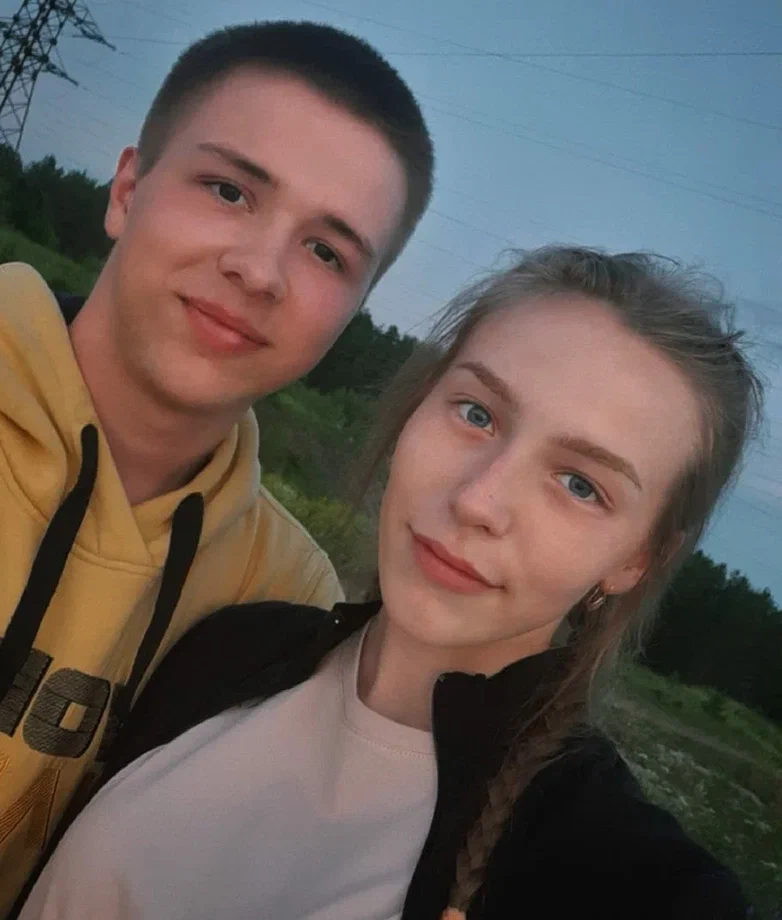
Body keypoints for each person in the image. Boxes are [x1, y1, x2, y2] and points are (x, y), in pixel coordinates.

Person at [18, 247, 761, 920]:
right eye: (477, 413)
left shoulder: (620, 875)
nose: (478, 500)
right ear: (417, 405)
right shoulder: (227, 647)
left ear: (636, 560)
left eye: (579, 484)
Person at [0, 19, 434, 915]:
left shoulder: (286, 604)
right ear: (127, 189)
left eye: (327, 251)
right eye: (230, 191)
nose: (261, 271)